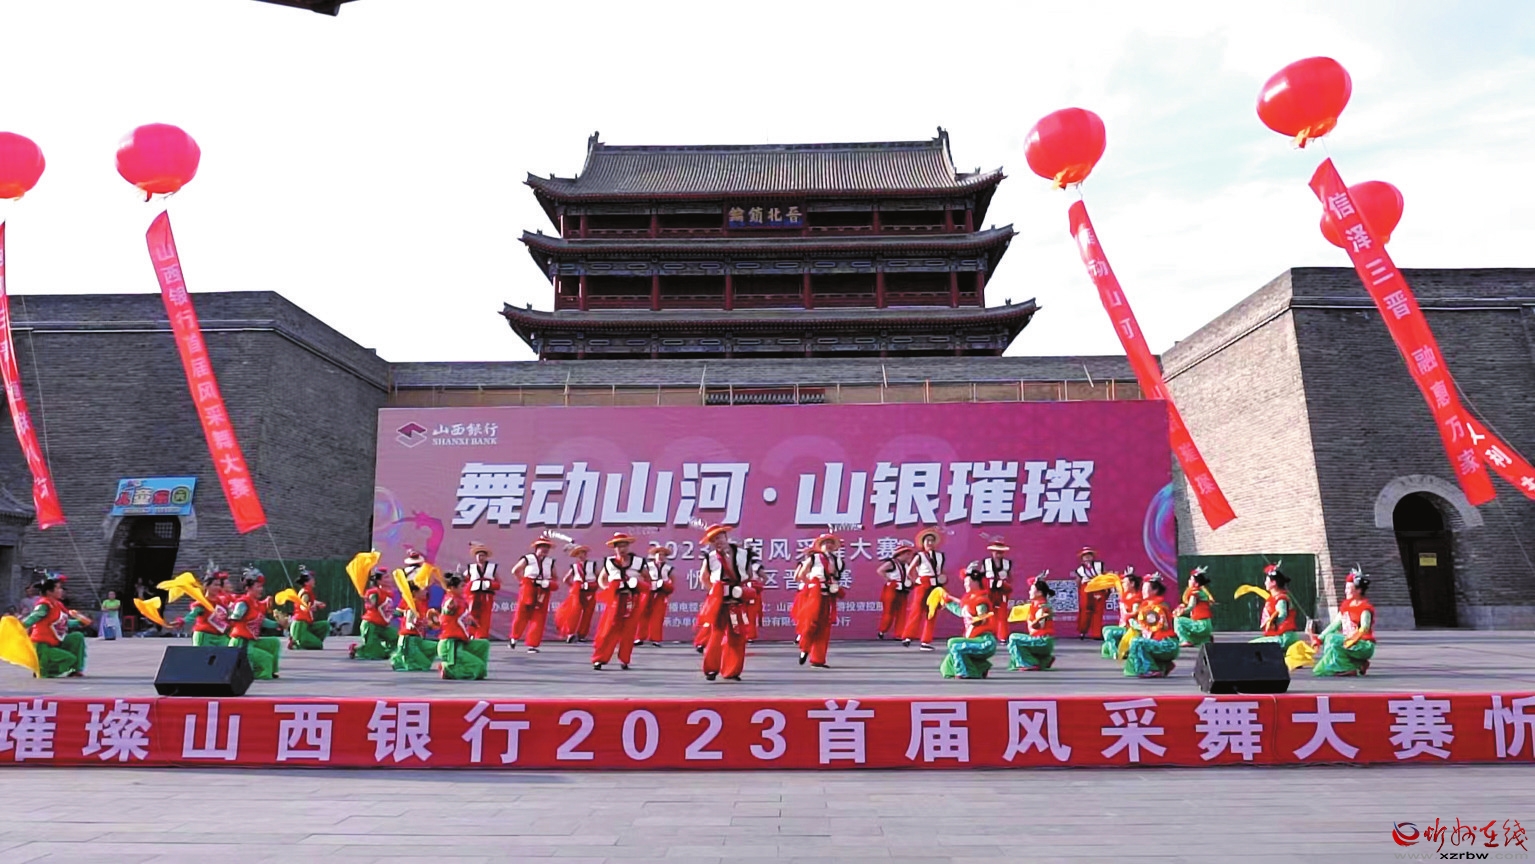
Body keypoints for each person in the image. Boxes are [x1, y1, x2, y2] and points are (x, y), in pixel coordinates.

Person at [698, 524, 756, 681]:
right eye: (713, 540)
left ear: (725, 536)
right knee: (716, 635)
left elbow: (750, 574)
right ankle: (711, 669)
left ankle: (732, 671)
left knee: (737, 635)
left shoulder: (743, 554)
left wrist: (740, 588)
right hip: (719, 601)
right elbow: (704, 577)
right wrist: (715, 592)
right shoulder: (710, 557)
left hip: (737, 599)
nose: (717, 541)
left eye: (719, 537)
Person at [591, 533, 647, 670]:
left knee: (629, 630)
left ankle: (624, 659)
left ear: (628, 546)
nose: (622, 549)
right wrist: (608, 588)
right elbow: (601, 579)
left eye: (624, 545)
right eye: (619, 546)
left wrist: (638, 585)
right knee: (608, 629)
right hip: (616, 600)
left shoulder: (638, 562)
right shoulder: (609, 562)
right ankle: (600, 658)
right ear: (614, 548)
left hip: (632, 599)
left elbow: (647, 578)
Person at [793, 534, 843, 668]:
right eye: (825, 542)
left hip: (827, 595)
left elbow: (836, 576)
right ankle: (804, 648)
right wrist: (812, 585)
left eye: (831, 542)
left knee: (824, 628)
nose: (828, 545)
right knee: (810, 623)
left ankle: (818, 659)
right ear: (820, 546)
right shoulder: (814, 558)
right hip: (814, 595)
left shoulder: (837, 561)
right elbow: (800, 576)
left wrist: (833, 585)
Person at [1311, 573, 1376, 677]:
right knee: (1321, 670)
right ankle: (1357, 664)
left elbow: (1365, 627)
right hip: (1349, 642)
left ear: (1359, 590)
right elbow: (1334, 625)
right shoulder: (1346, 606)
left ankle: (1350, 667)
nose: (1346, 591)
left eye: (1349, 588)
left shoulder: (1364, 608)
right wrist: (1319, 639)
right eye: (1346, 588)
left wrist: (1352, 638)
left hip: (1363, 644)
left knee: (1332, 639)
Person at [23, 578, 89, 677]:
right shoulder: (44, 604)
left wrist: (79, 622)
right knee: (69, 659)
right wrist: (21, 625)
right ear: (49, 592)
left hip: (55, 641)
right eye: (58, 588)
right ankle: (43, 669)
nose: (61, 590)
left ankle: (75, 670)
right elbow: (35, 616)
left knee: (77, 637)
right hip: (43, 644)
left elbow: (63, 623)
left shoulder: (58, 605)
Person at [937, 569, 996, 679]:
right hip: (974, 640)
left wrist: (978, 620)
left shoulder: (981, 600)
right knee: (947, 666)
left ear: (976, 582)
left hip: (984, 641)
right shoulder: (969, 600)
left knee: (954, 644)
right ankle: (981, 666)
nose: (965, 584)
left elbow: (982, 616)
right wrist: (948, 602)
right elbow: (961, 612)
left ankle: (967, 671)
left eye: (967, 582)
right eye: (964, 582)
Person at [1124, 574, 1179, 678]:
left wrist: (1131, 621)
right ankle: (1163, 665)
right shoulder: (1148, 606)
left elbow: (1149, 628)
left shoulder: (1157, 608)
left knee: (1137, 642)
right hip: (1160, 642)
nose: (1143, 591)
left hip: (1167, 644)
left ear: (1155, 591)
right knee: (1138, 641)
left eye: (1146, 589)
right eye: (1143, 588)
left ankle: (1151, 669)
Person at [436, 572, 489, 680]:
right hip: (450, 645)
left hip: (461, 642)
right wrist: (449, 607)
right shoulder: (450, 600)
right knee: (478, 666)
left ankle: (467, 668)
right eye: (461, 586)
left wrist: (471, 622)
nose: (464, 588)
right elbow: (447, 611)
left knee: (483, 644)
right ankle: (448, 669)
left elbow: (463, 618)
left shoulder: (460, 600)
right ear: (452, 588)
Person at [902, 527, 948, 650]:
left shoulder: (940, 556)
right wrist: (916, 580)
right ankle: (908, 636)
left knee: (931, 613)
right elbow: (909, 570)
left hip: (935, 586)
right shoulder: (920, 556)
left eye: (932, 540)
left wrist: (942, 580)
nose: (930, 543)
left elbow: (941, 571)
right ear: (923, 543)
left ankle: (925, 641)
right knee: (916, 610)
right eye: (927, 541)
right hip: (923, 584)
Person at [228, 575, 281, 679]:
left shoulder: (256, 604)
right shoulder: (243, 603)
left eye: (261, 586)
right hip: (241, 643)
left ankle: (271, 671)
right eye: (258, 586)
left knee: (274, 642)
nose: (261, 589)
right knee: (266, 658)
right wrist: (233, 615)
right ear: (248, 588)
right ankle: (251, 674)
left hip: (251, 641)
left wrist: (278, 624)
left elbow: (262, 621)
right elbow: (234, 617)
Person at [509, 537, 556, 653]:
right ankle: (514, 637)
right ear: (537, 547)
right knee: (522, 614)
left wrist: (548, 582)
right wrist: (523, 582)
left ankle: (532, 644)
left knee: (538, 617)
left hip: (543, 590)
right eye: (543, 546)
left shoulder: (550, 562)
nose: (545, 549)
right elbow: (515, 570)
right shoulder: (528, 558)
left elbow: (555, 576)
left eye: (547, 547)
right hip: (528, 588)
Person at [1006, 575, 1056, 671]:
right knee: (1021, 640)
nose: (1029, 592)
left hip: (1042, 641)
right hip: (1041, 640)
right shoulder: (1035, 605)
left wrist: (1037, 621)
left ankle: (1029, 663)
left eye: (1031, 590)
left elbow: (1039, 625)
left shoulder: (1042, 606)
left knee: (1014, 638)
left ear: (1039, 593)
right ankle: (1044, 660)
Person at [555, 544, 598, 643]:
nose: (581, 555)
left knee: (588, 612)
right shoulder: (574, 567)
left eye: (582, 553)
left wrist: (594, 585)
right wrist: (573, 586)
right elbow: (566, 579)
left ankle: (582, 634)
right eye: (578, 553)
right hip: (577, 589)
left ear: (586, 554)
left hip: (590, 589)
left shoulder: (592, 565)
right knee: (574, 611)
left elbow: (598, 576)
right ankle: (570, 633)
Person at [391, 583, 439, 672]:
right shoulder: (413, 604)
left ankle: (400, 658)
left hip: (418, 639)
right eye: (423, 590)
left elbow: (423, 622)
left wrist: (431, 624)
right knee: (421, 666)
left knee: (436, 647)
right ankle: (399, 660)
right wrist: (410, 623)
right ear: (414, 592)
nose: (426, 592)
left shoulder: (422, 604)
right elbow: (410, 616)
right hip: (409, 639)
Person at [1253, 564, 1303, 647]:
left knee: (1253, 646)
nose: (1265, 583)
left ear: (1273, 583)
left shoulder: (1281, 598)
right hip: (1282, 635)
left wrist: (1273, 624)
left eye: (1267, 580)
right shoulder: (1275, 598)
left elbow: (1282, 614)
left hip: (1285, 637)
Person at [638, 543, 675, 647]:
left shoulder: (668, 568)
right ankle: (640, 637)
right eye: (659, 554)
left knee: (658, 616)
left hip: (661, 593)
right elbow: (642, 577)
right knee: (643, 614)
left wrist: (667, 588)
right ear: (655, 555)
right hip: (648, 592)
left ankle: (655, 638)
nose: (661, 556)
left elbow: (672, 580)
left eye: (663, 555)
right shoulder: (648, 566)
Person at [1100, 570, 1142, 660]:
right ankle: (1118, 650)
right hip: (1123, 627)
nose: (1122, 585)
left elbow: (1135, 612)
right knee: (1105, 647)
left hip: (1131, 629)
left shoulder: (1136, 598)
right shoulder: (1125, 595)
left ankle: (1117, 652)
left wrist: (1127, 615)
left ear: (1132, 584)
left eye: (1125, 583)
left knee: (1107, 631)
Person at [876, 545, 915, 639]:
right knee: (889, 611)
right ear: (900, 554)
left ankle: (899, 634)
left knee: (902, 613)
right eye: (907, 554)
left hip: (903, 590)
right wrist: (889, 580)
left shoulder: (907, 565)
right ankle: (882, 630)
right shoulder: (892, 563)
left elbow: (910, 576)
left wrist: (913, 583)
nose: (909, 556)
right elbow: (880, 570)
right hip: (892, 589)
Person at [286, 567, 329, 651]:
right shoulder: (305, 593)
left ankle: (308, 641)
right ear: (306, 582)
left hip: (306, 625)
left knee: (325, 625)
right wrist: (306, 608)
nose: (314, 580)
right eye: (312, 579)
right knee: (318, 645)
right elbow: (303, 604)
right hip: (299, 626)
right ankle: (297, 643)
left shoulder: (307, 591)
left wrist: (317, 604)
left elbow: (310, 602)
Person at [464, 542, 500, 640]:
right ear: (475, 556)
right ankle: (471, 634)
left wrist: (490, 585)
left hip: (487, 596)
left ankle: (482, 636)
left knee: (485, 617)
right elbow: (464, 581)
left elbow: (498, 582)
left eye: (482, 555)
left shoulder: (492, 567)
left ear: (486, 556)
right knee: (472, 614)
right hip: (474, 596)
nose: (480, 557)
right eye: (479, 555)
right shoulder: (471, 568)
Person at [1174, 567, 1216, 649]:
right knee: (1189, 630)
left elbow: (1190, 607)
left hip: (1201, 625)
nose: (1188, 581)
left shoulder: (1194, 593)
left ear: (1196, 584)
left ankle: (1184, 640)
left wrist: (1180, 612)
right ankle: (1205, 639)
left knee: (1178, 620)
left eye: (1191, 579)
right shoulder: (1202, 592)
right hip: (1207, 625)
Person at [188, 572, 234, 647]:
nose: (218, 588)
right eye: (215, 585)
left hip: (221, 637)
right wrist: (182, 621)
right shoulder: (201, 603)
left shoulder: (222, 602)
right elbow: (192, 615)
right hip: (205, 636)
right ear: (206, 586)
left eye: (219, 585)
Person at [981, 542, 1014, 641]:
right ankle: (988, 634)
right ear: (992, 552)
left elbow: (1010, 578)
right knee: (989, 613)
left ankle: (1002, 636)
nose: (998, 554)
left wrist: (1004, 580)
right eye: (996, 552)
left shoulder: (1007, 563)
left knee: (1002, 614)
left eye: (1001, 552)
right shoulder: (986, 562)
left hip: (1002, 590)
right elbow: (981, 577)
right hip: (989, 590)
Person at [1074, 547, 1108, 640]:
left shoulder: (1099, 565)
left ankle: (1096, 634)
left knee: (1098, 610)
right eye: (1085, 556)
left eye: (1089, 555)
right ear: (1082, 558)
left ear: (1092, 557)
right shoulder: (1080, 570)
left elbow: (1106, 575)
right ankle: (1082, 631)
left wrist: (1105, 587)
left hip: (1098, 587)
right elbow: (1078, 582)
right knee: (1085, 610)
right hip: (1086, 588)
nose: (1087, 558)